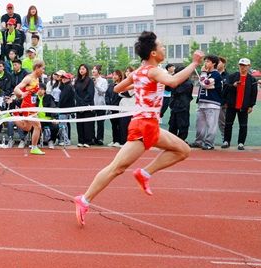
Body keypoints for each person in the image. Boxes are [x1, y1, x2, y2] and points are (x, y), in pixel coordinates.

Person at [73, 31, 203, 226]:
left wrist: (139, 85)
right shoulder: (154, 71)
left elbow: (117, 88)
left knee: (183, 150)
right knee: (117, 168)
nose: (164, 49)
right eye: (161, 46)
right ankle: (84, 199)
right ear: (153, 53)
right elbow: (173, 81)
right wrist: (194, 63)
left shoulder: (140, 72)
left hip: (151, 125)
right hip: (143, 127)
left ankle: (145, 173)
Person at [221, 58, 257, 150]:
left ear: (249, 66)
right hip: (231, 105)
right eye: (241, 65)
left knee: (243, 125)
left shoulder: (252, 79)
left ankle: (241, 143)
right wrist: (233, 86)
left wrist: (251, 105)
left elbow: (254, 94)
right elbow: (225, 88)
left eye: (244, 65)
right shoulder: (232, 76)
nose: (242, 67)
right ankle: (226, 141)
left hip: (244, 106)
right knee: (228, 124)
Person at [12, 60, 47, 155]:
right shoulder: (28, 78)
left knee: (27, 127)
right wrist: (21, 94)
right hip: (27, 106)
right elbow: (16, 89)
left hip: (32, 106)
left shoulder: (37, 79)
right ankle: (34, 147)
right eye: (42, 69)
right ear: (37, 68)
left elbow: (32, 92)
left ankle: (12, 116)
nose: (43, 71)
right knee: (37, 126)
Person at [191, 55, 223, 150]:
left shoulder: (216, 75)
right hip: (202, 103)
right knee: (200, 125)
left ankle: (209, 143)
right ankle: (199, 141)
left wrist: (203, 73)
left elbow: (205, 84)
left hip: (212, 104)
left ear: (214, 63)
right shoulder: (205, 74)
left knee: (211, 125)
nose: (205, 63)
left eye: (208, 61)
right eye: (205, 61)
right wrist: (204, 74)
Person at [168, 65, 193, 142]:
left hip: (183, 107)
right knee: (172, 124)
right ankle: (173, 141)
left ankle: (181, 141)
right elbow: (168, 87)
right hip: (174, 106)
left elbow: (177, 91)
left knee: (183, 125)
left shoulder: (188, 83)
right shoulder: (176, 82)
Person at [73, 64, 95, 148]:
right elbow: (75, 93)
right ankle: (80, 140)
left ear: (86, 70)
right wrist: (80, 103)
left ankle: (88, 141)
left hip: (88, 106)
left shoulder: (90, 81)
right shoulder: (77, 80)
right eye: (80, 69)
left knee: (87, 124)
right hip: (79, 106)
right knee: (79, 124)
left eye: (83, 69)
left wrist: (84, 103)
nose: (81, 70)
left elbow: (90, 94)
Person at [91, 65, 108, 146]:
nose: (93, 70)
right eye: (92, 69)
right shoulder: (90, 80)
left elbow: (103, 91)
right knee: (91, 122)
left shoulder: (103, 81)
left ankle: (100, 138)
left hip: (101, 104)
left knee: (100, 123)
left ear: (99, 71)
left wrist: (96, 85)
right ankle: (92, 138)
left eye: (95, 69)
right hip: (92, 104)